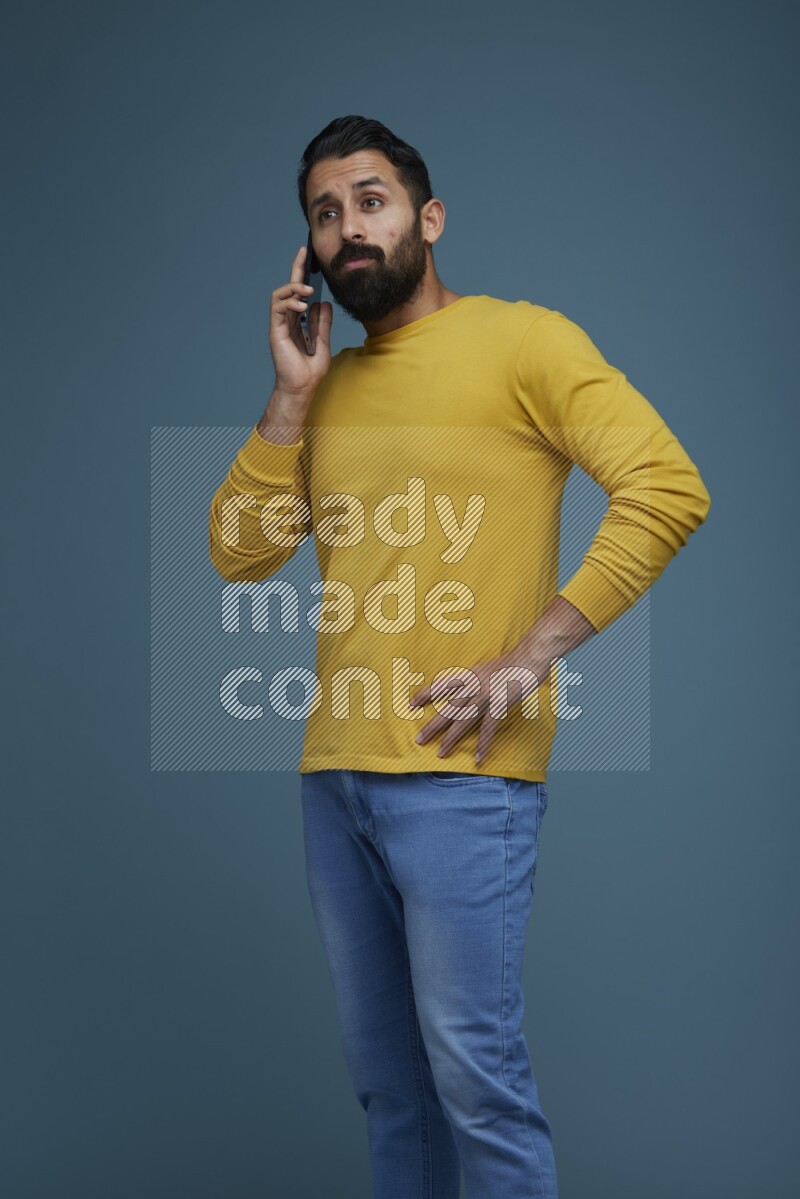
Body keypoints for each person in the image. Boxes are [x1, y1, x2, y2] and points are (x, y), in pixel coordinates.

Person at [208, 114, 711, 1199]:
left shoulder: (523, 341)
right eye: (324, 212)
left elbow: (668, 488)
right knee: (392, 1093)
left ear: (427, 219)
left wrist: (526, 659)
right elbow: (236, 557)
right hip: (334, 778)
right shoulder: (325, 391)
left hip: (462, 774)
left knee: (476, 1082)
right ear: (309, 251)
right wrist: (291, 397)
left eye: (371, 200)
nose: (349, 228)